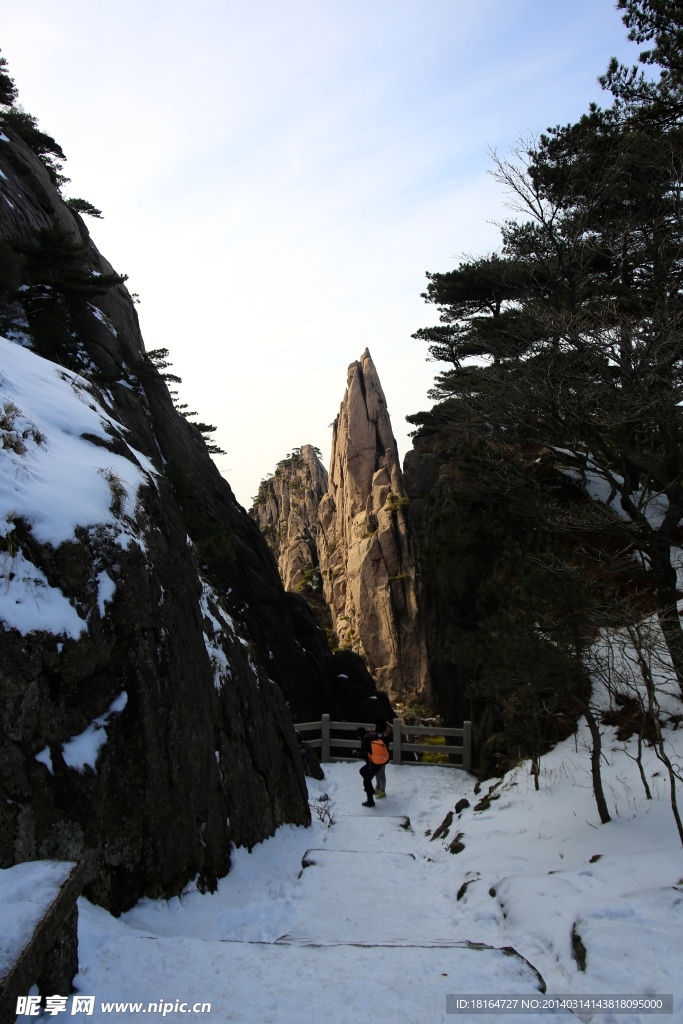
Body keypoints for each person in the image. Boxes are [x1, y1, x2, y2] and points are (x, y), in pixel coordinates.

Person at [358, 722, 390, 807]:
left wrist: (355, 753)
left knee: (367, 781)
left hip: (373, 764)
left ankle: (370, 801)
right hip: (378, 762)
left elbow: (362, 755)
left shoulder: (365, 741)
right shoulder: (372, 736)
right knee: (362, 771)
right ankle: (372, 790)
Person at [373, 719, 390, 798]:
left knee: (381, 774)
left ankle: (382, 790)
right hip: (376, 755)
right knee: (376, 772)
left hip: (382, 756)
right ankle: (378, 787)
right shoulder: (377, 732)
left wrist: (387, 723)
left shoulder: (386, 734)